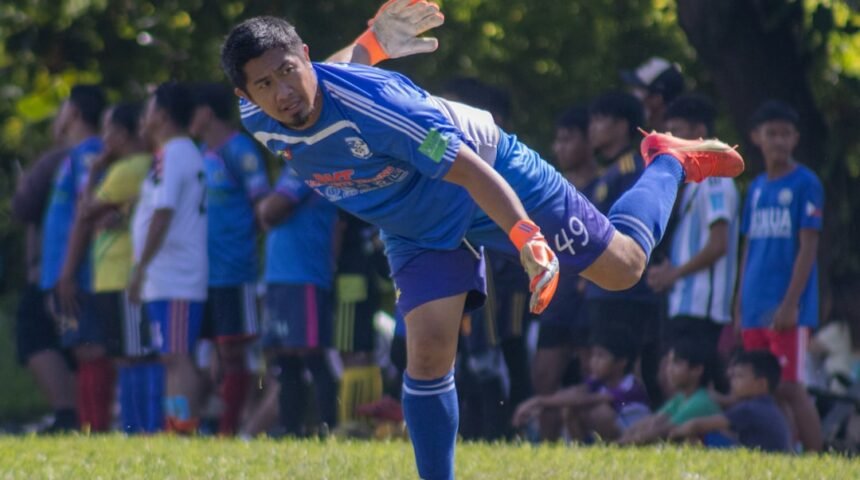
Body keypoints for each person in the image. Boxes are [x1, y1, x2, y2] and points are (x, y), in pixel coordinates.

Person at [220, 11, 743, 478]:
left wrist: (526, 238)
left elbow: (471, 171)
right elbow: (337, 68)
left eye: (289, 70)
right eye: (265, 84)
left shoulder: (379, 108)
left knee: (625, 268)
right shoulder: (259, 118)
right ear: (246, 96)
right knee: (425, 352)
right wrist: (371, 41)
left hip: (492, 171)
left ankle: (669, 158)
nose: (283, 91)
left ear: (303, 57)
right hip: (413, 226)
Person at [62, 103, 163, 433]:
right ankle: (137, 425)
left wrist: (94, 172)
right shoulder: (136, 167)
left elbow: (85, 210)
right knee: (126, 355)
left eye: (108, 130)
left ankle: (145, 427)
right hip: (112, 276)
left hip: (123, 274)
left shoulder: (130, 168)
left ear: (121, 134)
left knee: (137, 355)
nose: (104, 138)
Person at [736, 100, 824, 452]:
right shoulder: (755, 187)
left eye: (785, 134)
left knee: (789, 386)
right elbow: (748, 248)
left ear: (796, 138)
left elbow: (808, 246)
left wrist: (791, 304)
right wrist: (739, 303)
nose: (778, 141)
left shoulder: (806, 183)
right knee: (765, 386)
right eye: (771, 133)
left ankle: (817, 458)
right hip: (754, 301)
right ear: (757, 137)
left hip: (787, 305)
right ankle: (786, 455)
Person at [190, 82, 270, 435]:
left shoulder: (240, 150)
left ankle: (231, 428)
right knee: (207, 354)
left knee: (234, 350)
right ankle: (199, 422)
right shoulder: (197, 154)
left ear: (206, 112)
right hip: (199, 273)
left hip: (234, 270)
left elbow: (263, 210)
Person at [646, 94, 739, 395]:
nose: (671, 139)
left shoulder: (715, 176)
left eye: (677, 130)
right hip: (683, 300)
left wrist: (674, 273)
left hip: (701, 304)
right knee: (675, 378)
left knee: (688, 382)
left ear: (700, 129)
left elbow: (718, 243)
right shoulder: (692, 179)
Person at [131, 82, 208, 434]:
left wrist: (139, 268)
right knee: (170, 356)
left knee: (178, 355)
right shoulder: (171, 153)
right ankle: (174, 423)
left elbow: (163, 212)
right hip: (164, 277)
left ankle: (183, 425)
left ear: (161, 115)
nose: (143, 119)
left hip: (178, 275)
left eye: (147, 111)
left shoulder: (176, 152)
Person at [584, 91, 664, 406]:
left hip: (625, 289)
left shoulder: (633, 169)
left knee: (626, 366)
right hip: (602, 286)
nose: (592, 128)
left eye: (600, 119)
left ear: (622, 126)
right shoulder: (609, 171)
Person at [531, 106, 600, 441]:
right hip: (556, 296)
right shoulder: (551, 187)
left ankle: (597, 446)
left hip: (591, 296)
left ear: (589, 142)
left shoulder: (606, 185)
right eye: (556, 141)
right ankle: (544, 449)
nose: (560, 148)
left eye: (568, 140)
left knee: (593, 376)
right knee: (544, 376)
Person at [40, 85, 107, 431]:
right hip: (63, 272)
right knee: (81, 349)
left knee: (90, 348)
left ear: (76, 111)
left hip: (78, 274)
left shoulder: (89, 153)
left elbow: (85, 214)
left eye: (64, 105)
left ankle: (96, 425)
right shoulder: (75, 153)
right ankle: (88, 425)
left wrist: (67, 272)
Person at [257, 169, 340, 436]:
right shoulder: (290, 167)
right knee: (285, 358)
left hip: (304, 274)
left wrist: (267, 209)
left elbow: (270, 211)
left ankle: (328, 427)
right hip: (280, 275)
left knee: (311, 354)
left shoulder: (309, 165)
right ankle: (290, 429)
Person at [11, 120, 78, 433]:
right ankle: (81, 411)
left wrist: (27, 180)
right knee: (76, 338)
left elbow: (22, 207)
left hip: (52, 269)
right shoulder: (96, 154)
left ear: (73, 115)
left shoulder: (58, 158)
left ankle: (68, 412)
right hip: (75, 267)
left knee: (36, 331)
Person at [513, 328, 650, 442]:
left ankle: (614, 445)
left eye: (600, 356)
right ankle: (581, 448)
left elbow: (587, 399)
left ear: (621, 362)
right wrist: (540, 405)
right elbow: (574, 393)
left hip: (636, 434)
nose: (593, 362)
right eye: (593, 356)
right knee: (570, 407)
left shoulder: (631, 385)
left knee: (598, 410)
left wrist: (539, 401)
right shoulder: (598, 382)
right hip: (616, 428)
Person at [669, 350, 792, 452]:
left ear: (761, 384)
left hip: (762, 462)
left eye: (739, 376)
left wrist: (675, 432)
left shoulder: (749, 409)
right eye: (732, 377)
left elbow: (697, 425)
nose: (733, 382)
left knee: (695, 437)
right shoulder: (768, 406)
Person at [619, 339, 721, 445]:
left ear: (697, 370)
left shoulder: (701, 401)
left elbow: (661, 432)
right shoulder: (681, 397)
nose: (669, 369)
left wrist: (620, 444)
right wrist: (629, 434)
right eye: (669, 363)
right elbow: (654, 420)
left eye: (676, 363)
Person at [621, 57, 685, 131]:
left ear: (657, 99)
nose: (631, 93)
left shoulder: (677, 137)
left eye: (639, 89)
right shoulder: (640, 134)